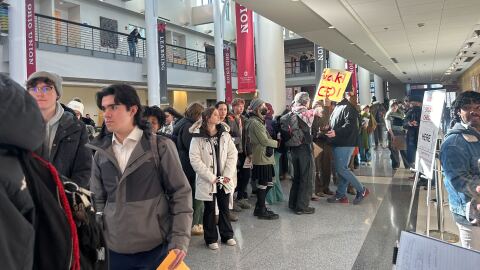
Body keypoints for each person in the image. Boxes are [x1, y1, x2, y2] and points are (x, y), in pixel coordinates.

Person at [88, 84, 193, 270]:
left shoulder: (159, 147)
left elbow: (180, 193)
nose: (107, 114)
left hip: (156, 248)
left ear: (133, 110)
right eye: (104, 108)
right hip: (114, 249)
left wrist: (179, 239)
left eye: (113, 107)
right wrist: (98, 242)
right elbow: (98, 201)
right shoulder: (101, 153)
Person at [26, 71, 92, 188]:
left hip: (62, 199)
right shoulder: (17, 125)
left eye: (47, 89)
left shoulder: (76, 127)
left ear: (57, 93)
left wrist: (66, 193)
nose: (40, 94)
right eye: (34, 89)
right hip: (25, 199)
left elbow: (84, 169)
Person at [189, 107, 238, 250]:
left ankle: (227, 235)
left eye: (220, 113)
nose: (220, 116)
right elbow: (195, 159)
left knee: (224, 207)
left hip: (224, 179)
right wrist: (211, 177)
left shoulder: (224, 134)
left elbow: (232, 154)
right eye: (215, 114)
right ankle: (210, 238)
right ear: (207, 117)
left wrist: (227, 175)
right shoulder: (198, 136)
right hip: (207, 179)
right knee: (209, 209)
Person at [440, 91, 480, 251]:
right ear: (458, 111)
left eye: (478, 107)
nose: (474, 111)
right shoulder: (453, 143)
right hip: (470, 214)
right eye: (467, 107)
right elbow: (459, 180)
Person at [327, 91, 369, 205]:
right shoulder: (339, 106)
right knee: (342, 169)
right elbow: (338, 123)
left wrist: (336, 131)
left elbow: (350, 126)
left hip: (345, 143)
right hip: (340, 142)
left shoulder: (348, 107)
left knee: (342, 169)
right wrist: (329, 128)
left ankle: (362, 189)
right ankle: (341, 194)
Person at [172, 102, 205, 236]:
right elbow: (191, 147)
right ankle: (194, 224)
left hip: (183, 162)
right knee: (193, 194)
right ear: (197, 114)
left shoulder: (181, 123)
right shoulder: (188, 126)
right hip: (189, 164)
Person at [282, 92, 316, 214]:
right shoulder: (305, 113)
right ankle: (302, 206)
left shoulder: (291, 112)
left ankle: (293, 203)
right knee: (306, 177)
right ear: (306, 101)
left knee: (297, 177)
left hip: (293, 148)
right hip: (303, 148)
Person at [246, 98, 280, 219]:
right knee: (264, 183)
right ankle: (261, 209)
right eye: (263, 105)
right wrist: (277, 143)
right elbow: (264, 140)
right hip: (261, 156)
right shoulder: (255, 122)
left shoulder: (258, 120)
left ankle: (260, 207)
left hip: (264, 155)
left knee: (269, 183)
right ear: (257, 108)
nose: (266, 108)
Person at [216, 101, 241, 220]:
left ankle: (228, 210)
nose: (223, 112)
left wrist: (230, 140)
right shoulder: (212, 123)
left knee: (230, 185)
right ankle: (217, 213)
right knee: (218, 187)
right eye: (220, 109)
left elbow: (238, 137)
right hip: (218, 161)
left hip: (230, 159)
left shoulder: (230, 121)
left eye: (225, 109)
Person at [229, 98, 253, 210]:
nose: (241, 108)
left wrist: (250, 152)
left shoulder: (244, 119)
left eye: (242, 106)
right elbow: (229, 136)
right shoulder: (229, 118)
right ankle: (232, 200)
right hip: (233, 151)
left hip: (244, 151)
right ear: (233, 107)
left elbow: (247, 137)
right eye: (238, 106)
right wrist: (237, 140)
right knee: (234, 176)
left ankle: (241, 197)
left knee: (246, 175)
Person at [312, 99, 335, 197]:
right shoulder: (313, 115)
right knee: (318, 167)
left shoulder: (329, 113)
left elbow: (329, 125)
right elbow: (319, 125)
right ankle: (318, 188)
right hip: (317, 143)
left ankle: (326, 187)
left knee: (327, 167)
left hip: (327, 142)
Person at [385, 100, 409, 171]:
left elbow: (405, 122)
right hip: (393, 133)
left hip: (401, 133)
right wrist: (392, 135)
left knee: (403, 149)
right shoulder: (388, 114)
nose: (395, 107)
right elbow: (388, 126)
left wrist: (406, 130)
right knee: (394, 150)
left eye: (396, 105)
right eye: (393, 105)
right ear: (390, 106)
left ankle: (407, 165)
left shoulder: (401, 112)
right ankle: (395, 165)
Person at [404, 96, 422, 167]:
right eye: (413, 103)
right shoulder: (410, 112)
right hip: (412, 136)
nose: (414, 104)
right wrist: (410, 123)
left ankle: (418, 173)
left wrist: (418, 124)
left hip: (420, 136)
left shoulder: (424, 112)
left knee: (419, 155)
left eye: (416, 103)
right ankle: (416, 173)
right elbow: (404, 123)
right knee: (412, 155)